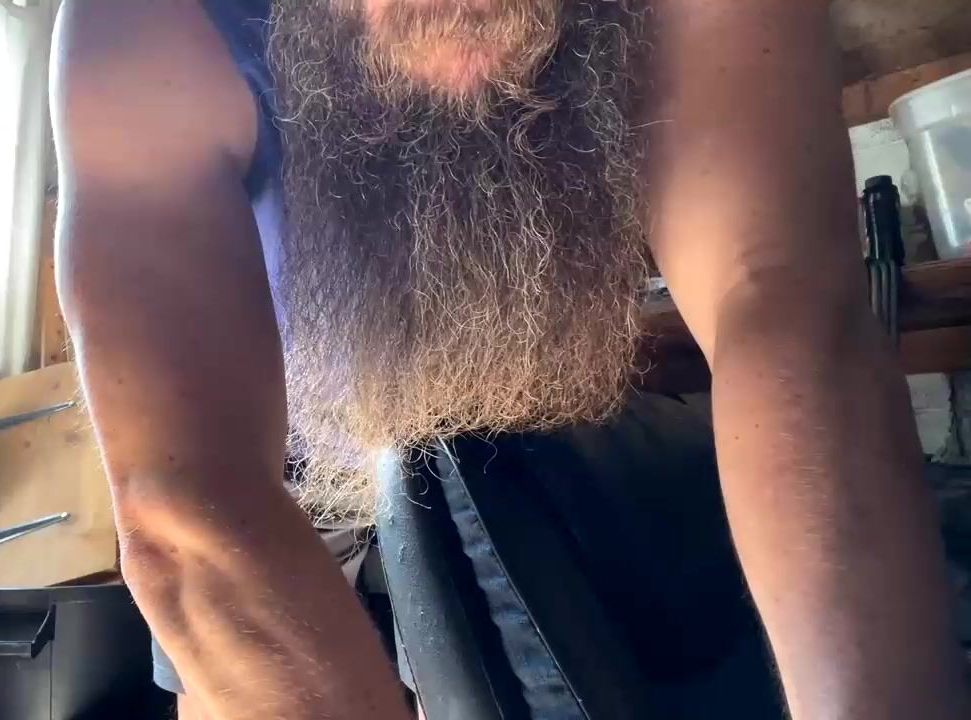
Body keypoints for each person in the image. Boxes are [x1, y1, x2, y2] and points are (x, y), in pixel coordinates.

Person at [48, 0, 971, 718]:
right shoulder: (149, 30)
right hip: (287, 491)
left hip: (551, 440)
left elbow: (782, 306)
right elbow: (186, 502)